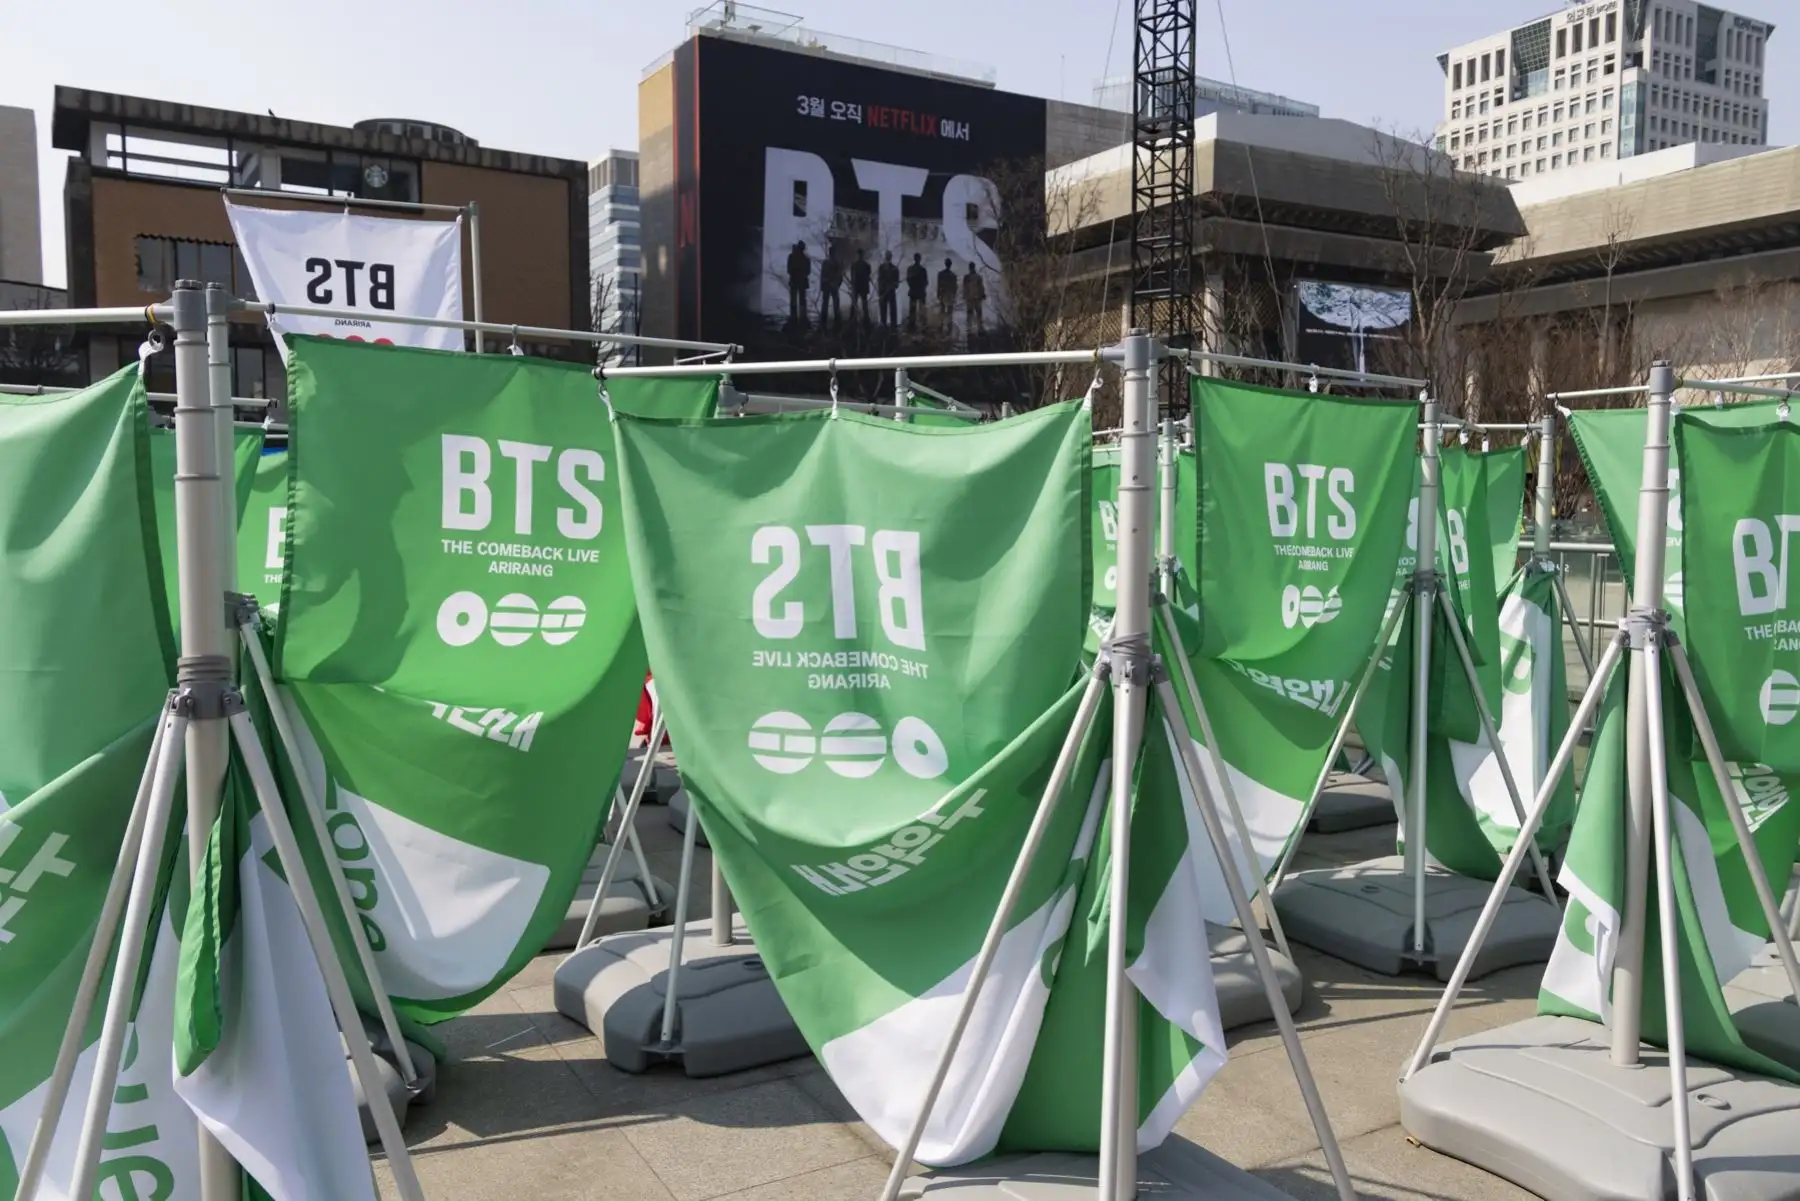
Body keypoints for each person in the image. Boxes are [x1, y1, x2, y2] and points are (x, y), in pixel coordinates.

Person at [786, 241, 811, 329]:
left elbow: (807, 271)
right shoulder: (803, 258)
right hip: (798, 281)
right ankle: (797, 317)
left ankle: (797, 317)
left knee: (798, 300)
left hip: (797, 281)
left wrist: (797, 273)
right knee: (799, 300)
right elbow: (807, 271)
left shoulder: (793, 257)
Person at [818, 252, 843, 329]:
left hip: (832, 286)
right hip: (829, 286)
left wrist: (837, 284)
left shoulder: (833, 263)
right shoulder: (829, 263)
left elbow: (839, 276)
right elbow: (823, 275)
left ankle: (835, 320)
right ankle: (825, 320)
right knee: (827, 304)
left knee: (834, 304)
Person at [904, 253, 928, 332]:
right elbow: (926, 282)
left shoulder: (910, 269)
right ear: (920, 259)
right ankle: (922, 326)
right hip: (921, 292)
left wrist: (912, 286)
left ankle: (911, 325)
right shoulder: (923, 270)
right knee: (921, 310)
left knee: (912, 310)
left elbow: (908, 280)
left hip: (913, 292)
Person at [849, 248, 872, 327]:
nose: (859, 256)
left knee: (863, 304)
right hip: (858, 287)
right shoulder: (858, 265)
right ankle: (853, 318)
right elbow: (852, 277)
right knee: (855, 304)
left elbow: (867, 276)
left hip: (860, 287)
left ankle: (865, 319)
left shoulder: (864, 265)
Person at [877, 251, 900, 329]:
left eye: (888, 256)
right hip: (884, 291)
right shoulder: (882, 268)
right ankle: (884, 324)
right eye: (887, 256)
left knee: (892, 309)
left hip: (890, 292)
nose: (888, 258)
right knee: (883, 309)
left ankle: (893, 325)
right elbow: (880, 280)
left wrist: (893, 285)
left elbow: (897, 283)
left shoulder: (894, 269)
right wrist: (880, 291)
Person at [962, 262, 986, 336]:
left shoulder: (966, 277)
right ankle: (980, 329)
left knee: (969, 314)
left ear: (969, 268)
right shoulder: (978, 277)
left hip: (969, 299)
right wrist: (983, 295)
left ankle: (969, 330)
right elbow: (981, 287)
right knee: (979, 314)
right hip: (977, 298)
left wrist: (965, 296)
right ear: (974, 267)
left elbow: (964, 288)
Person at [936, 257, 957, 329]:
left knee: (942, 310)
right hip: (950, 295)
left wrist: (938, 294)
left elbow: (939, 285)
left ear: (945, 264)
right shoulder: (953, 275)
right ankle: (949, 326)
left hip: (943, 294)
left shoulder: (941, 274)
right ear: (950, 265)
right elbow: (955, 287)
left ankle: (941, 325)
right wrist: (954, 295)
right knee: (949, 311)